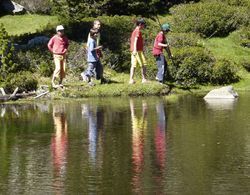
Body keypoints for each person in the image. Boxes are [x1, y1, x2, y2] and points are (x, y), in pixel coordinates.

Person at [82, 19, 106, 84]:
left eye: (100, 24)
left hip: (96, 51)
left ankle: (101, 78)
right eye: (97, 24)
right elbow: (89, 44)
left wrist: (99, 51)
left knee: (99, 67)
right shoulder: (92, 33)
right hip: (92, 52)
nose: (99, 25)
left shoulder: (98, 32)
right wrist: (89, 51)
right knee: (92, 67)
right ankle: (86, 75)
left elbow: (97, 42)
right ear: (94, 24)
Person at [129, 18, 147, 84]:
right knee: (143, 64)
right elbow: (135, 40)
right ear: (140, 24)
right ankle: (144, 79)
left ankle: (131, 80)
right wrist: (135, 50)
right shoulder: (137, 31)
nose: (144, 26)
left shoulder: (135, 30)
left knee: (133, 65)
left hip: (134, 50)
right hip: (137, 51)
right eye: (143, 25)